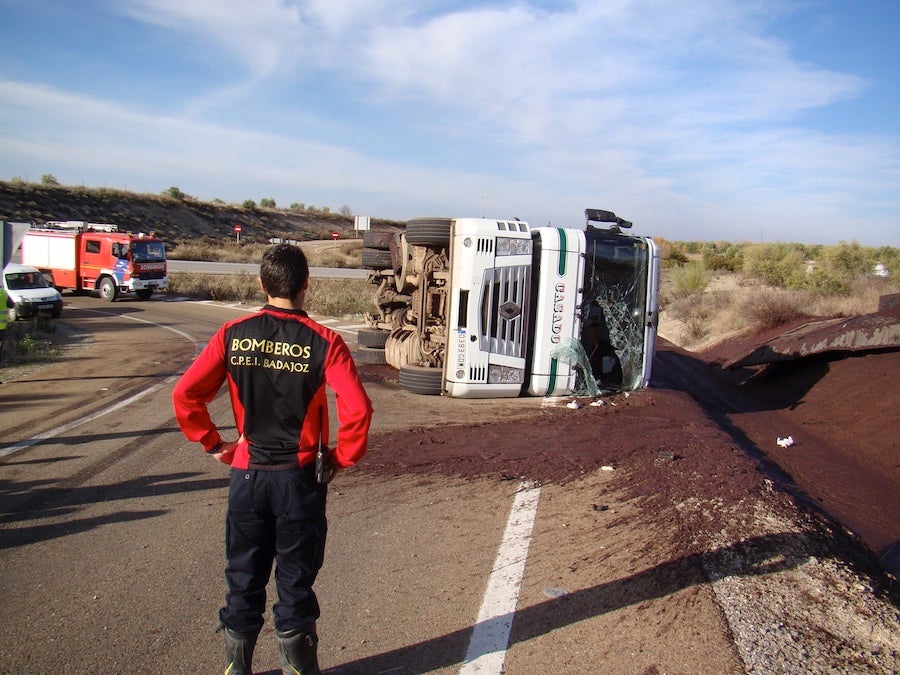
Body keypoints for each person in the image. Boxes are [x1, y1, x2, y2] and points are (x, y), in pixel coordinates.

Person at [172, 243, 373, 675]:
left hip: (248, 476)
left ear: (263, 284)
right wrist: (341, 458)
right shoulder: (326, 342)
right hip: (299, 480)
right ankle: (298, 668)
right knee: (295, 583)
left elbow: (185, 394)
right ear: (306, 284)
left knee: (243, 579)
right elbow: (358, 409)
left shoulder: (232, 333)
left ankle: (236, 667)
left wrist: (213, 444)